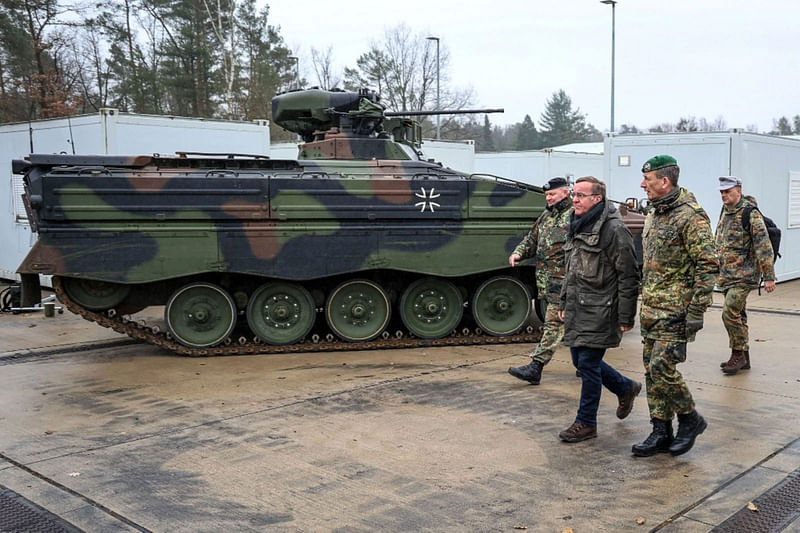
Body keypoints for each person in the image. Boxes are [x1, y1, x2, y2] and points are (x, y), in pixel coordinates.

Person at [633, 155, 718, 457]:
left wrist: (696, 311)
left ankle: (690, 418)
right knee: (650, 372)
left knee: (662, 367)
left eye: (648, 179)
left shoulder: (690, 216)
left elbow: (708, 265)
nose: (642, 184)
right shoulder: (655, 214)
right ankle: (660, 430)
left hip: (676, 311)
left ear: (664, 181)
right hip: (652, 308)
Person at [556, 176, 641, 443]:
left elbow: (628, 275)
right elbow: (571, 269)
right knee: (578, 361)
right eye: (574, 194)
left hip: (601, 308)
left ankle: (586, 422)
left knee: (588, 365)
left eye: (581, 195)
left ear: (598, 199)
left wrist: (626, 315)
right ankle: (625, 387)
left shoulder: (613, 229)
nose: (575, 199)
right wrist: (563, 302)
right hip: (577, 307)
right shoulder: (577, 223)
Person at [508, 177, 573, 385]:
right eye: (547, 195)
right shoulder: (547, 215)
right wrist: (519, 253)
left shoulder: (575, 216)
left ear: (565, 193)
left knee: (553, 323)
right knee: (576, 324)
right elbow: (532, 238)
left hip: (565, 282)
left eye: (552, 194)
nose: (549, 198)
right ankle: (589, 364)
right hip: (548, 281)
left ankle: (536, 367)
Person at [715, 176, 776, 375]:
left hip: (745, 274)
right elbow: (719, 239)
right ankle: (745, 357)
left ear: (738, 191)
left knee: (729, 312)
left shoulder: (750, 214)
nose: (724, 195)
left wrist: (768, 276)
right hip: (727, 274)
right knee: (738, 314)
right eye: (722, 192)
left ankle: (738, 354)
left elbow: (763, 245)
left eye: (728, 191)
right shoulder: (725, 211)